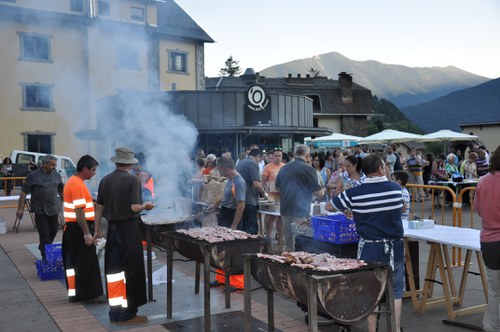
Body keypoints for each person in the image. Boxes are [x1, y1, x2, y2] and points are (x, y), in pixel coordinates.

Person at [326, 154, 404, 332]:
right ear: (381, 169)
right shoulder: (395, 188)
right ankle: (396, 328)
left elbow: (329, 207)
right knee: (396, 291)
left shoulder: (354, 193)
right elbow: (402, 206)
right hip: (394, 247)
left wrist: (350, 208)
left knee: (371, 293)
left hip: (370, 248)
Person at [94, 147, 154, 326]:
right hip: (128, 231)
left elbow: (99, 207)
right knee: (132, 271)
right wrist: (146, 206)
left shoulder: (105, 180)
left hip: (112, 231)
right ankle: (128, 315)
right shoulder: (132, 180)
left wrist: (97, 229)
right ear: (130, 163)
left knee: (114, 273)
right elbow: (134, 207)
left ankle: (115, 313)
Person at [62, 155, 104, 303]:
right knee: (86, 263)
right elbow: (79, 211)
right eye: (92, 170)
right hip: (78, 228)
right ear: (85, 169)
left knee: (74, 262)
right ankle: (91, 295)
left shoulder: (74, 182)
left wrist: (91, 201)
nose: (94, 173)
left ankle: (76, 294)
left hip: (72, 228)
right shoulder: (78, 185)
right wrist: (87, 233)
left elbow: (80, 205)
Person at [275, 144, 323, 252]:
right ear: (307, 155)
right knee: (300, 244)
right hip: (300, 211)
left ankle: (286, 266)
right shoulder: (308, 169)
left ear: (296, 154)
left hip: (285, 209)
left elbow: (277, 188)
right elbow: (318, 193)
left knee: (288, 243)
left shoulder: (284, 167)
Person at [16, 155, 63, 261]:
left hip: (53, 208)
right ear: (44, 164)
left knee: (54, 230)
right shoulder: (33, 176)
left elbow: (61, 190)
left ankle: (44, 246)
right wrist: (20, 209)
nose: (54, 167)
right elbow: (24, 192)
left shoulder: (57, 175)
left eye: (55, 165)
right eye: (52, 165)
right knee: (44, 233)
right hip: (39, 209)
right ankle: (45, 255)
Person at [474, 144, 500, 332]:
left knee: (494, 290)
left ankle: (491, 326)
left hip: (490, 241)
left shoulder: (482, 181)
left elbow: (478, 210)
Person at [236, 147, 266, 234]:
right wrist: (264, 193)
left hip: (239, 199)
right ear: (258, 156)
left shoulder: (240, 163)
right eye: (260, 159)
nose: (259, 161)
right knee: (251, 231)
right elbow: (256, 184)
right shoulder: (253, 164)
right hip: (250, 201)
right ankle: (251, 247)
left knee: (242, 229)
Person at [261, 148, 285, 252]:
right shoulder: (268, 167)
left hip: (282, 196)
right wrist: (266, 190)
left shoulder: (284, 167)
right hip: (271, 196)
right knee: (270, 217)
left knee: (280, 218)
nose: (278, 158)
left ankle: (280, 244)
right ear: (273, 156)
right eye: (276, 156)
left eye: (280, 156)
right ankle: (268, 240)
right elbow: (263, 181)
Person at [216, 156, 246, 230]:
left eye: (220, 170)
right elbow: (227, 196)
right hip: (224, 213)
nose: (219, 173)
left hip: (231, 216)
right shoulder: (230, 179)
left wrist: (234, 225)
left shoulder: (238, 182)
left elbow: (241, 206)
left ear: (226, 168)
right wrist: (214, 205)